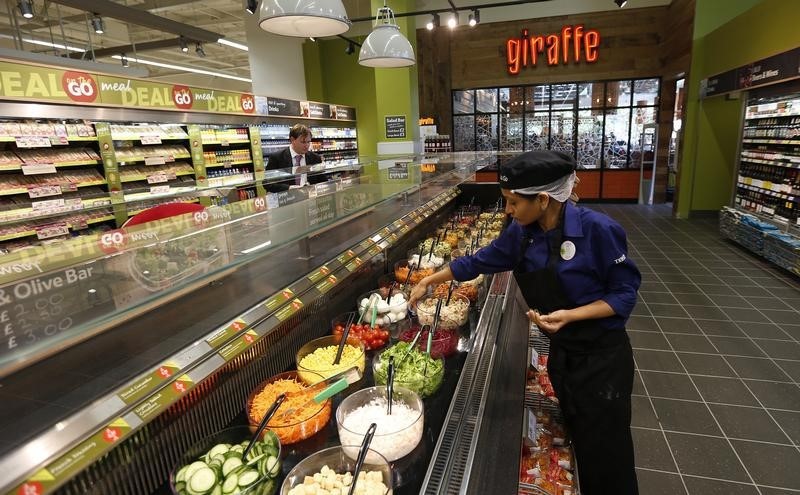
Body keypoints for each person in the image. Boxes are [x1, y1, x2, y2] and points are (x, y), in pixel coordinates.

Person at [409, 150, 641, 495]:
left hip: (602, 360)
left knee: (608, 455)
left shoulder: (599, 230)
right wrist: (430, 279)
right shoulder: (522, 234)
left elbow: (624, 294)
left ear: (544, 200)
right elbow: (481, 261)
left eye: (513, 202)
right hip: (563, 355)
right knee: (578, 436)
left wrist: (570, 316)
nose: (507, 210)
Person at [265, 124, 324, 192]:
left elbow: (322, 180)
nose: (307, 145)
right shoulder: (277, 158)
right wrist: (288, 188)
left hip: (310, 198)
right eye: (303, 142)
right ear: (292, 140)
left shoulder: (315, 158)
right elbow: (267, 183)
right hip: (287, 199)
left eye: (308, 142)